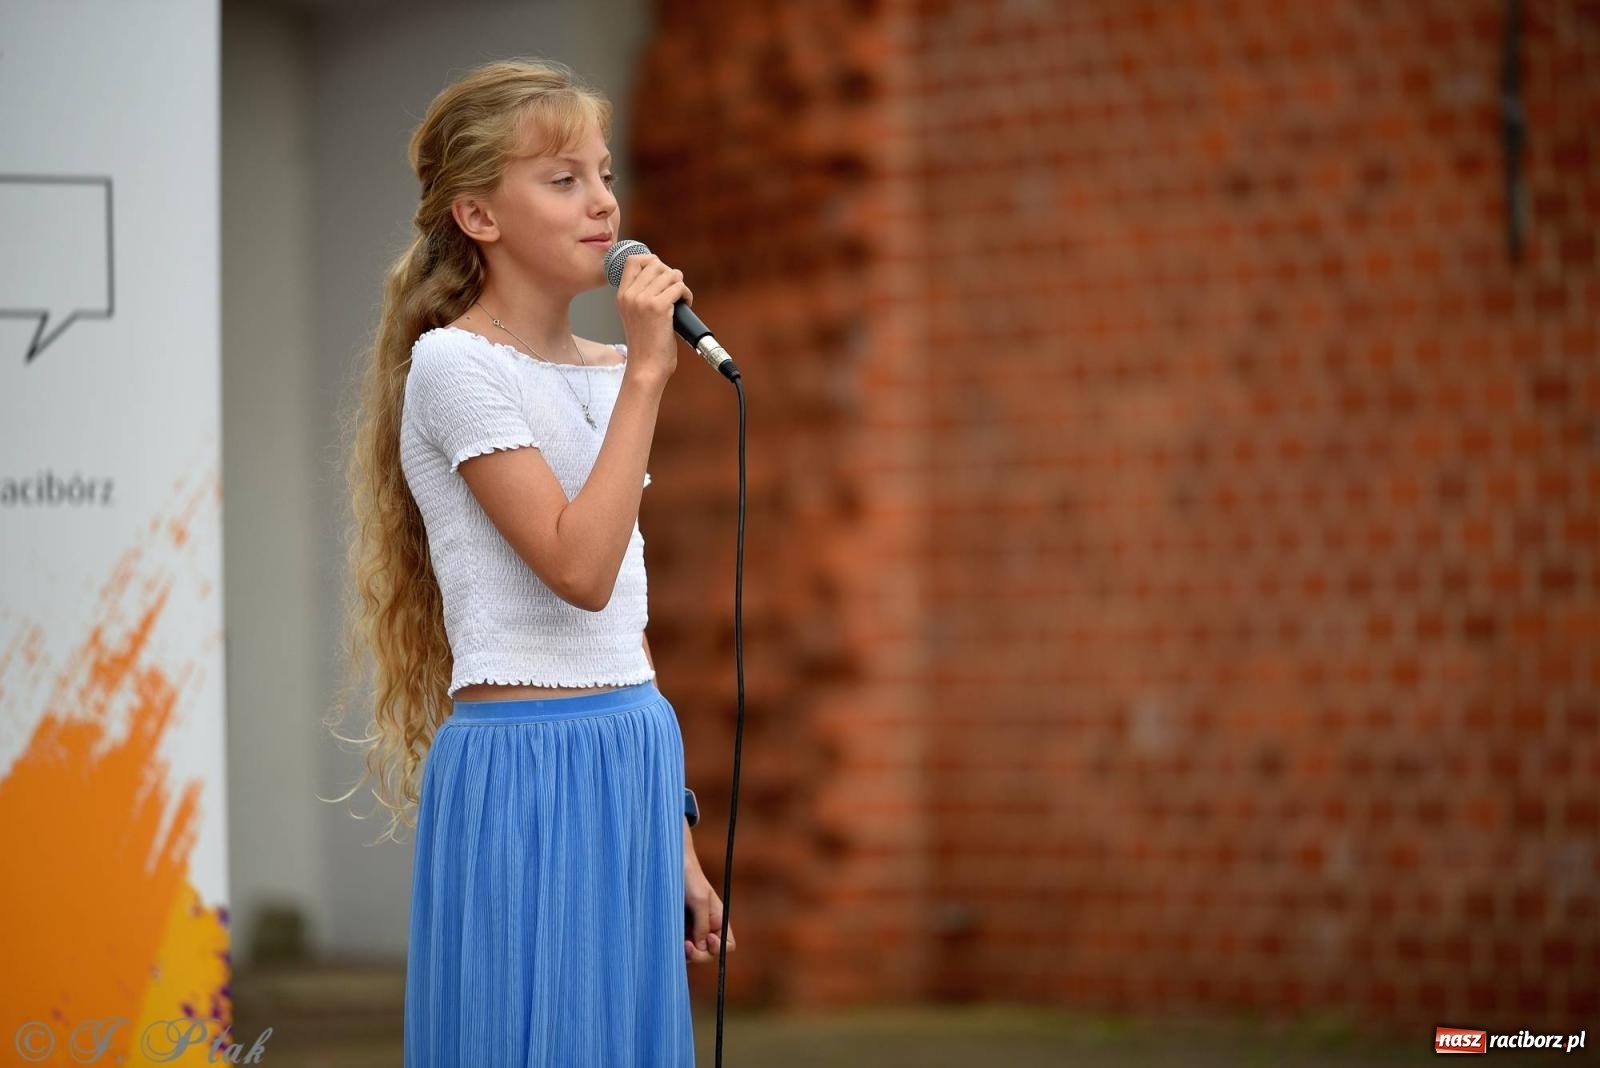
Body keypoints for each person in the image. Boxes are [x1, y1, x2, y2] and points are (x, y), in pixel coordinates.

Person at [325, 57, 734, 1067]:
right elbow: (576, 569)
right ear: (478, 216)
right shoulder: (455, 365)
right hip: (525, 767)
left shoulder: (611, 369)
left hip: (632, 751)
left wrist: (676, 836)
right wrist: (649, 376)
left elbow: (620, 616)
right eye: (563, 180)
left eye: (603, 175)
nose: (603, 204)